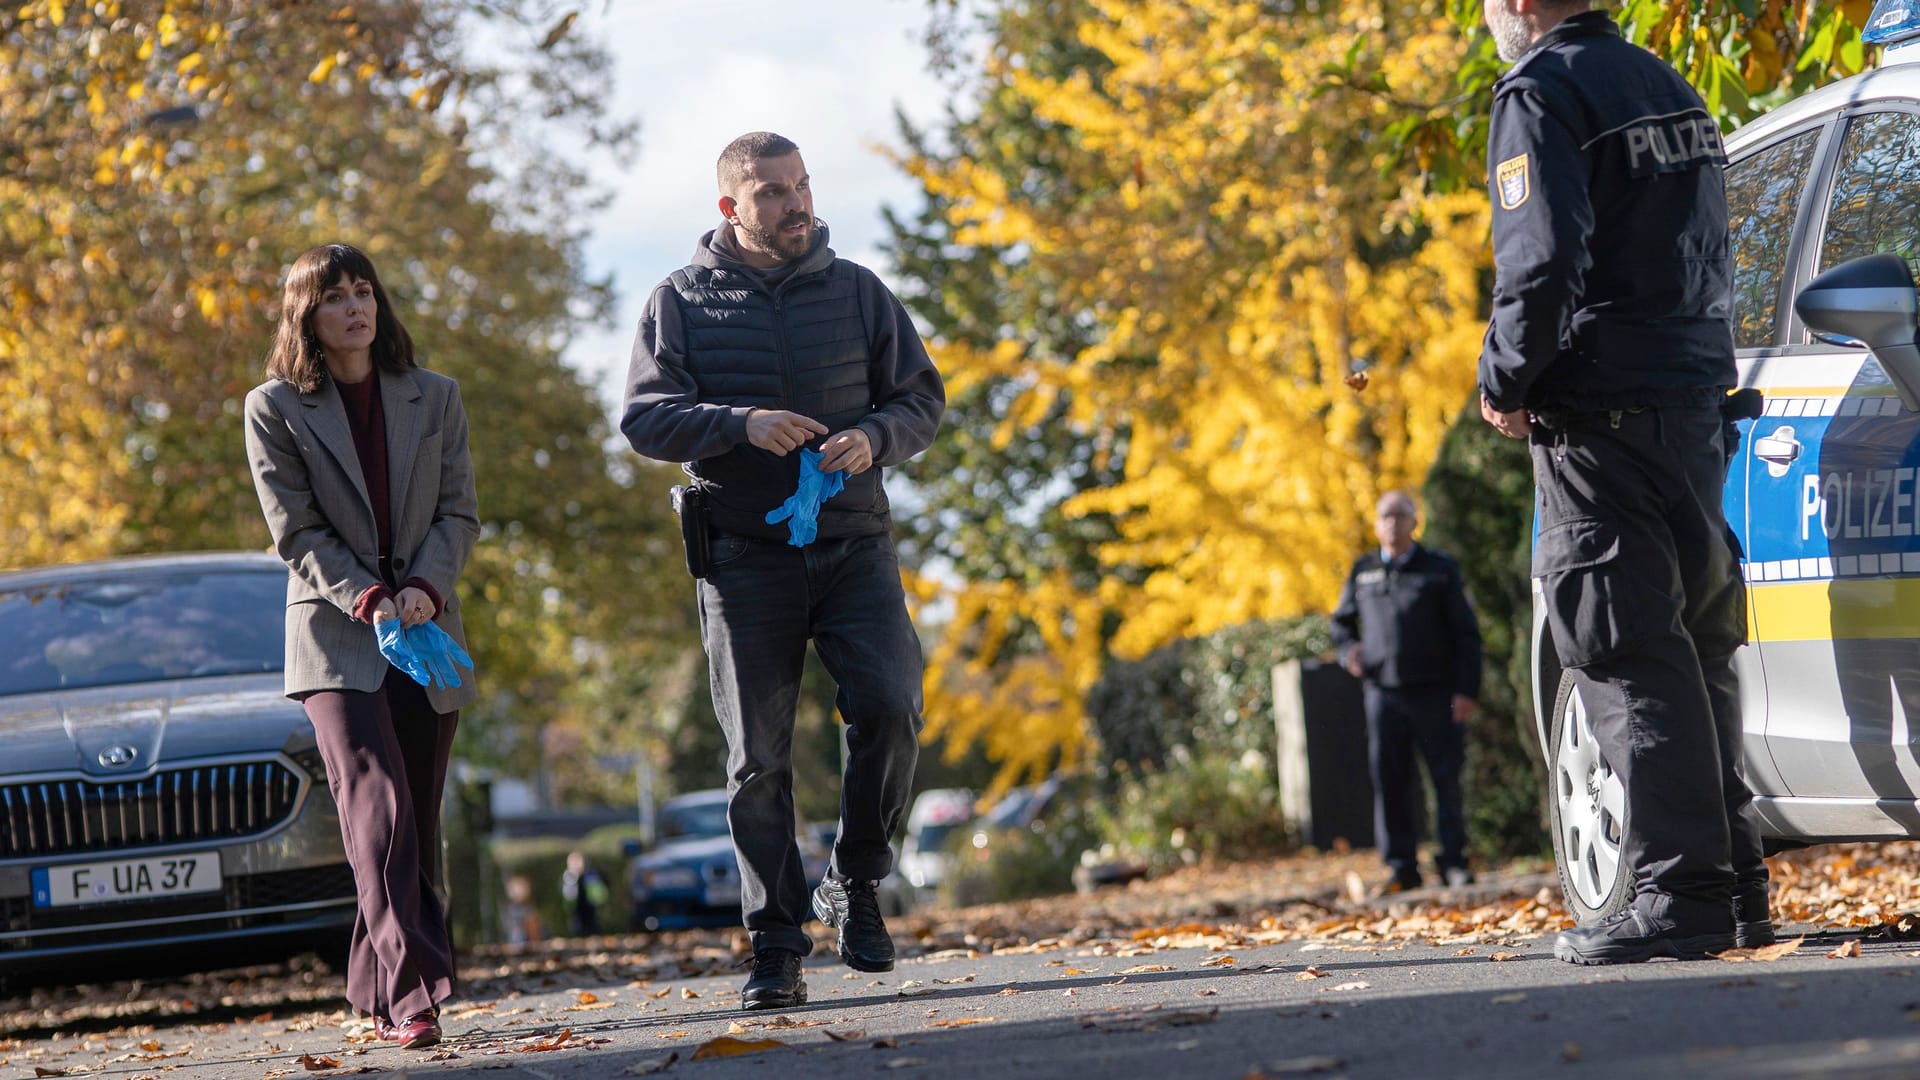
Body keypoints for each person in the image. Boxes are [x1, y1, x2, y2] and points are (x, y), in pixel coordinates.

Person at [620, 131, 944, 1010]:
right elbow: (646, 421)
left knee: (890, 704)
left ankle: (859, 882)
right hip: (741, 559)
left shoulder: (860, 292)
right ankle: (775, 945)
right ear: (731, 207)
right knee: (756, 760)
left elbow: (921, 400)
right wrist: (740, 423)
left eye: (800, 186)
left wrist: (874, 437)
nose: (796, 204)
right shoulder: (680, 301)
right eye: (771, 193)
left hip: (853, 545)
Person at [1476, 0, 1770, 964]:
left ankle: (1679, 896)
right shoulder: (1669, 84)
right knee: (1696, 643)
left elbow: (1543, 258)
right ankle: (1735, 889)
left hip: (1600, 417)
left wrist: (1506, 380)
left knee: (1625, 643)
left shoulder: (1541, 92)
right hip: (1689, 402)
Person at [244, 242, 479, 1046]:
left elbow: (458, 514)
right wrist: (371, 595)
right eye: (336, 297)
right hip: (334, 637)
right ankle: (415, 994)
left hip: (426, 630)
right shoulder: (273, 408)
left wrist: (425, 589)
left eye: (364, 292)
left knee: (412, 815)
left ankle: (370, 987)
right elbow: (295, 531)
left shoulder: (435, 397)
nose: (356, 308)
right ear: (306, 316)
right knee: (376, 808)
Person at [1330, 492, 1483, 893]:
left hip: (1435, 693)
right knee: (1390, 781)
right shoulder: (1362, 571)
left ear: (1415, 522)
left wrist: (1467, 690)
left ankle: (1453, 861)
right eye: (1385, 516)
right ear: (1376, 523)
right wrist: (1349, 653)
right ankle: (1401, 867)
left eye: (1400, 515)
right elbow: (1341, 626)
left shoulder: (1438, 569)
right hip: (1383, 695)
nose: (1392, 523)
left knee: (1444, 780)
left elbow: (1466, 634)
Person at [559, 851, 610, 937]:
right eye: (573, 862)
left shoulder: (592, 875)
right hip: (576, 917)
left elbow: (601, 895)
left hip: (592, 914)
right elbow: (567, 899)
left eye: (577, 861)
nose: (576, 864)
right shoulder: (567, 878)